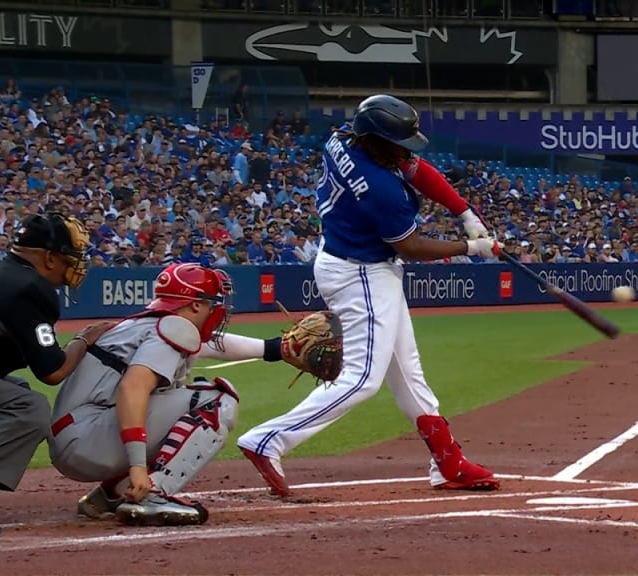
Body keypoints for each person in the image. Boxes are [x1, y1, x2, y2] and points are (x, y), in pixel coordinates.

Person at [237, 94, 501, 497]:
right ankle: (269, 438)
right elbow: (410, 247)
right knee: (363, 379)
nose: (405, 152)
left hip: (348, 259)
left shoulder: (344, 139)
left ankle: (447, 463)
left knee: (408, 374)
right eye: (398, 144)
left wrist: (464, 212)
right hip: (361, 272)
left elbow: (416, 169)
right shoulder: (381, 189)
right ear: (377, 141)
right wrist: (470, 248)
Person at [46, 262, 329, 527]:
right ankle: (153, 494)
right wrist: (137, 466)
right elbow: (132, 388)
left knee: (180, 395)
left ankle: (111, 492)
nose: (217, 310)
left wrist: (274, 349)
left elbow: (214, 347)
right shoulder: (173, 327)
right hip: (87, 440)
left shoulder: (153, 323)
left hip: (76, 435)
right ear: (195, 304)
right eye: (211, 302)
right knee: (216, 401)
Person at [0, 212, 112, 538]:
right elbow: (53, 370)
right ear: (48, 258)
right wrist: (84, 339)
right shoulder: (30, 287)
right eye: (70, 257)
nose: (76, 264)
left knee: (11, 390)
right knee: (28, 407)